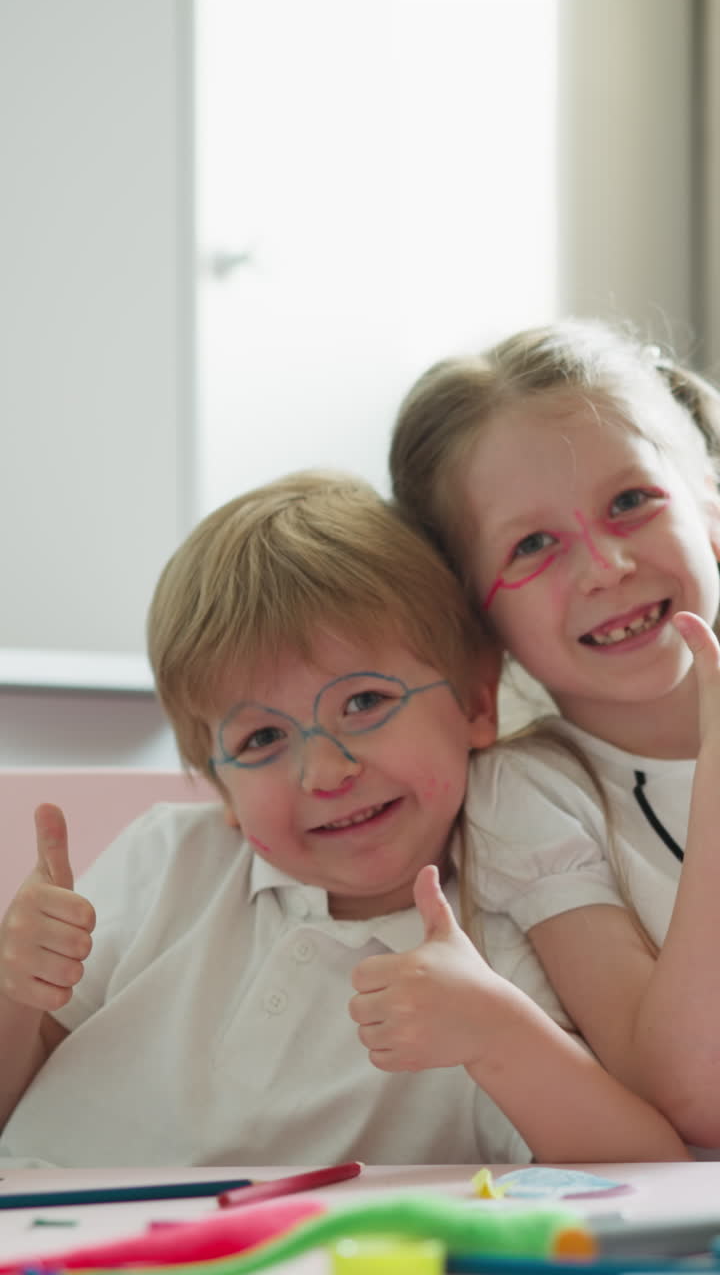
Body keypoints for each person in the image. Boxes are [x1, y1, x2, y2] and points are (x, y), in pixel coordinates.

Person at [0, 471, 687, 1168]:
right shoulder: (167, 860)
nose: (325, 772)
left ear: (478, 704)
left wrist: (499, 1037)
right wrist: (12, 990)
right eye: (260, 740)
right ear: (221, 789)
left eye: (363, 703)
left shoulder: (496, 951)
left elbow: (653, 1172)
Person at [388, 317, 720, 1152]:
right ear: (477, 615)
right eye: (533, 543)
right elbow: (692, 1096)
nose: (605, 566)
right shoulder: (529, 794)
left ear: (710, 502)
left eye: (632, 502)